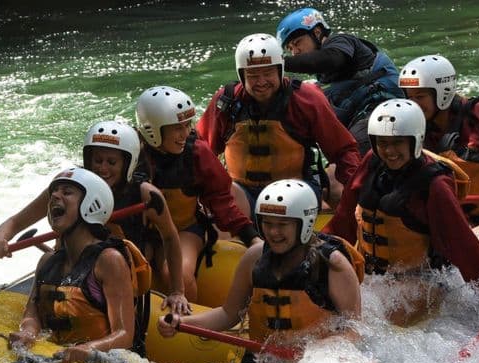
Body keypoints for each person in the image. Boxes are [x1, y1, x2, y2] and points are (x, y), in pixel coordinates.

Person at [323, 99, 479, 326]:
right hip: (376, 278)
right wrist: (319, 249)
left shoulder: (435, 185)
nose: (389, 151)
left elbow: (461, 242)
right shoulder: (373, 161)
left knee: (364, 322)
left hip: (423, 282)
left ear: (416, 140)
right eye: (382, 143)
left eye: (397, 143)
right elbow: (344, 217)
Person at [158, 179, 362, 363]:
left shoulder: (333, 265)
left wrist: (317, 352)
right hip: (260, 361)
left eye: (282, 225)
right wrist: (182, 322)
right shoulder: (254, 257)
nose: (273, 232)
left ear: (305, 224)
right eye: (267, 223)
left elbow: (353, 332)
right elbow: (228, 314)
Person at [0, 121, 191, 315]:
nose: (102, 168)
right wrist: (0, 238)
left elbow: (171, 238)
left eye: (111, 162)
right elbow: (15, 222)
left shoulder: (145, 195)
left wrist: (177, 291)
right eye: (97, 160)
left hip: (117, 277)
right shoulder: (67, 189)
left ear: (127, 164)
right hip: (72, 276)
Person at [195, 33, 360, 214]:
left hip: (296, 190)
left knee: (335, 179)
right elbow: (201, 151)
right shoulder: (226, 101)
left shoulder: (307, 99)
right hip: (243, 191)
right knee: (222, 195)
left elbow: (343, 151)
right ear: (241, 75)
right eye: (253, 75)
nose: (261, 82)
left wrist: (357, 194)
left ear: (280, 70)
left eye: (268, 73)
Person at [399, 54, 479, 261]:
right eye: (410, 97)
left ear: (442, 93)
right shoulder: (420, 132)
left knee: (469, 249)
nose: (413, 104)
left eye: (420, 97)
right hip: (469, 218)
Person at [136, 85, 261, 303]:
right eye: (177, 128)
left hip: (184, 231)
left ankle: (189, 322)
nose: (186, 134)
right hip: (141, 234)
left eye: (187, 125)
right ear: (152, 130)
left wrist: (253, 238)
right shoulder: (132, 154)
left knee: (178, 274)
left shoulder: (197, 153)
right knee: (128, 271)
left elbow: (221, 202)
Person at [8, 167, 135, 363]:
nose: (55, 196)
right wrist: (28, 331)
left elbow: (124, 335)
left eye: (66, 192)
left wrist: (88, 349)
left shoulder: (109, 261)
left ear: (91, 206)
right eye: (55, 192)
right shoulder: (47, 261)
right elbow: (32, 312)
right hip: (54, 357)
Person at [276, 7, 404, 155]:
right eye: (290, 48)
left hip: (382, 112)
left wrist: (279, 63)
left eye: (297, 43)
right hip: (360, 118)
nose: (295, 52)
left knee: (350, 156)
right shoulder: (323, 78)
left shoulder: (342, 41)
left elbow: (331, 59)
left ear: (317, 33)